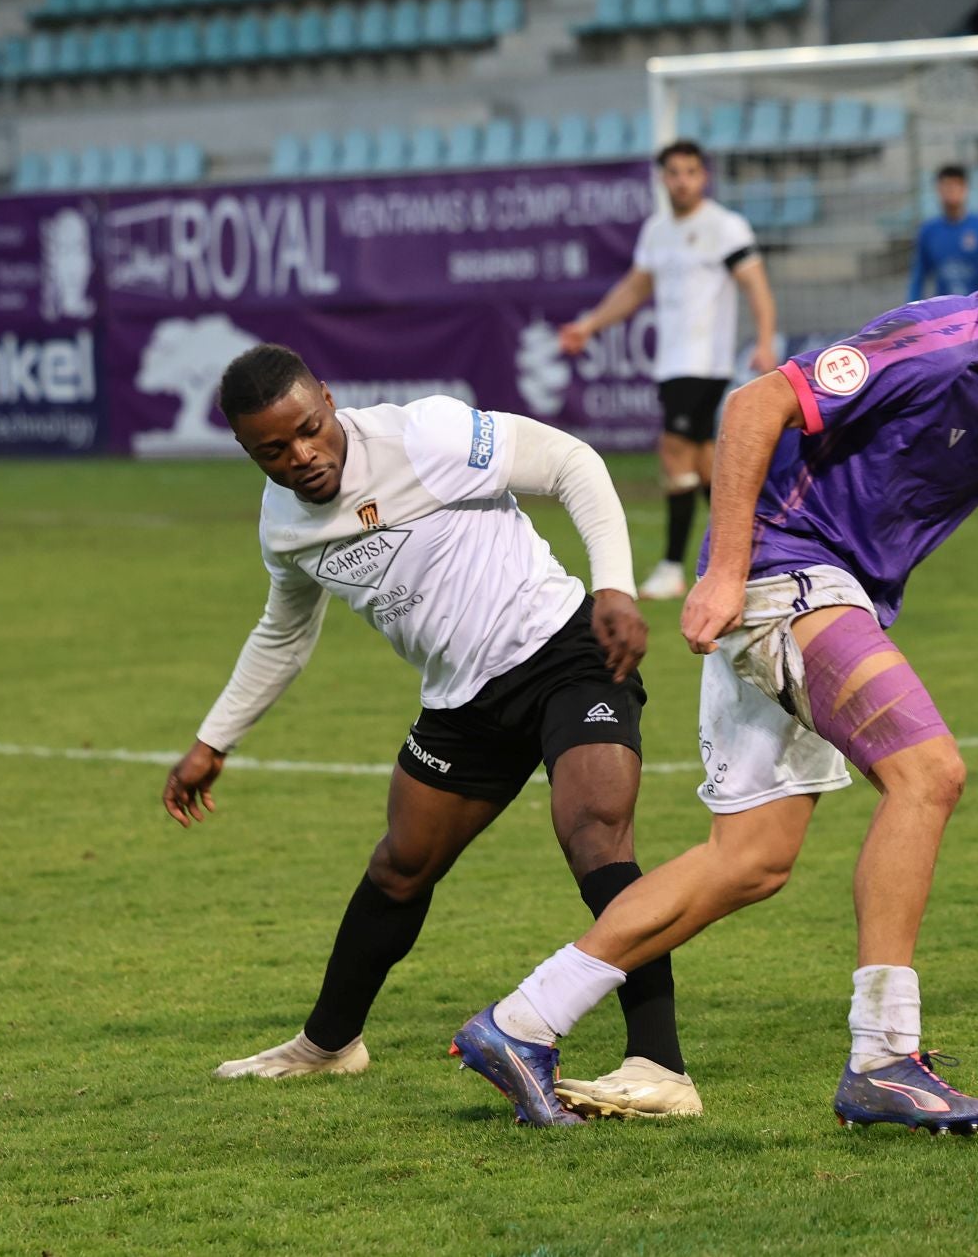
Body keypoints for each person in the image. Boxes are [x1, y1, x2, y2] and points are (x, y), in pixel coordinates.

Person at [448, 204, 978, 1132]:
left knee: (750, 860)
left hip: (820, 586)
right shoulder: (934, 342)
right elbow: (755, 402)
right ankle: (884, 1055)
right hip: (783, 572)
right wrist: (724, 571)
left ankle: (521, 1022)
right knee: (928, 772)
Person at [163, 346, 700, 1121]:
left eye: (310, 430)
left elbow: (573, 464)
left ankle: (660, 1065)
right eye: (272, 451)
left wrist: (613, 588)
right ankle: (329, 1044)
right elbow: (283, 634)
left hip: (564, 651)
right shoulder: (283, 524)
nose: (301, 456)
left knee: (595, 833)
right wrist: (214, 741)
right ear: (247, 451)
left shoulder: (426, 435)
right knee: (401, 866)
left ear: (328, 397)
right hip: (462, 703)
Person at [559, 139, 779, 602]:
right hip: (672, 364)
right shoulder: (657, 231)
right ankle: (754, 551)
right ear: (663, 178)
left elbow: (756, 284)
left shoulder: (724, 226)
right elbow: (635, 287)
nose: (683, 180)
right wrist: (590, 325)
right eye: (674, 172)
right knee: (700, 464)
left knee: (673, 450)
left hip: (704, 363)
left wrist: (763, 341)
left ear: (704, 177)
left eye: (692, 172)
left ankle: (673, 566)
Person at [907, 164, 978, 302]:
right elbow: (918, 277)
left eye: (956, 185)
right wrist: (911, 311)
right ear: (938, 190)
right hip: (945, 313)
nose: (951, 191)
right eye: (946, 186)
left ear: (965, 188)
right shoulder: (928, 231)